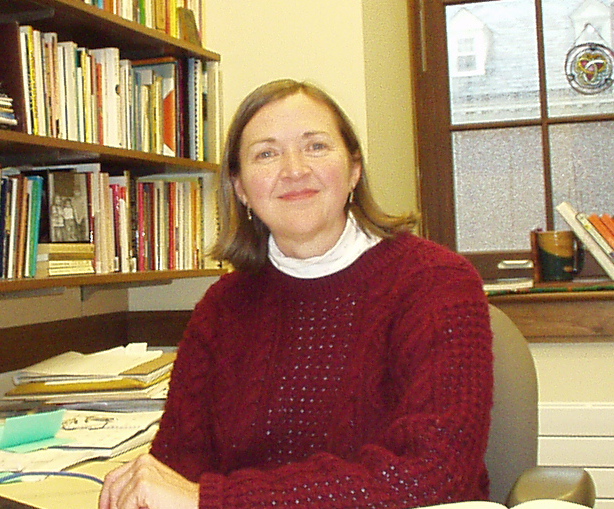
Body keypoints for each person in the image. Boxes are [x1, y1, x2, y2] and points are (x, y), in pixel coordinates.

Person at [99, 79, 493, 509]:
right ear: (241, 188)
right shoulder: (222, 307)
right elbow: (176, 469)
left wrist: (218, 500)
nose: (294, 170)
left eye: (316, 146)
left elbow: (435, 476)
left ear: (354, 170)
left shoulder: (435, 282)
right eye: (266, 154)